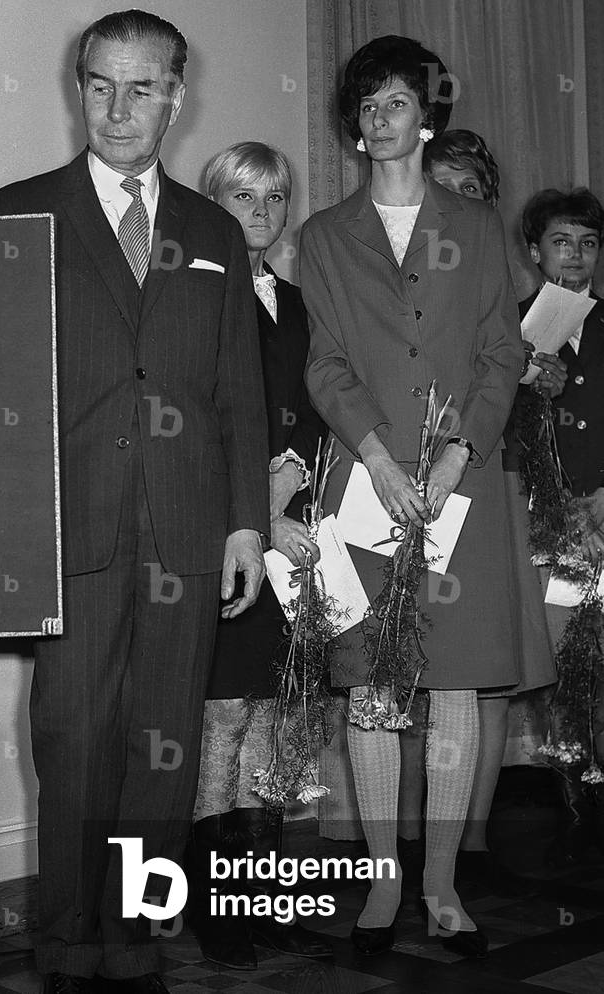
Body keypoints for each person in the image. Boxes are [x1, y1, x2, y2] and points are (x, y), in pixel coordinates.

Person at [0, 12, 271, 993]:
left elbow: (238, 390)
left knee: (164, 751)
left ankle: (136, 942)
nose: (118, 107)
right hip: (70, 530)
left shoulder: (216, 232)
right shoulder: (17, 215)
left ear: (176, 99)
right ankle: (67, 948)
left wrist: (243, 522)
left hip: (188, 530)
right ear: (79, 88)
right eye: (100, 84)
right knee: (73, 746)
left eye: (142, 88)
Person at [300, 36, 524, 958]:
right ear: (353, 128)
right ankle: (383, 892)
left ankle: (440, 889)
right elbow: (326, 362)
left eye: (396, 101)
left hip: (459, 486)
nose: (380, 118)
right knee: (376, 690)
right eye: (366, 106)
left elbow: (500, 352)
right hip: (366, 483)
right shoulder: (322, 235)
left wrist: (454, 451)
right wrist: (384, 461)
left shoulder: (473, 229)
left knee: (456, 687)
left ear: (423, 117)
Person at [403, 131, 562, 897]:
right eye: (440, 187)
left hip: (489, 477)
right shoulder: (396, 264)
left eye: (468, 191)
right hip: (407, 479)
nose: (453, 204)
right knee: (405, 673)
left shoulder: (499, 266)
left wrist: (535, 375)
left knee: (486, 679)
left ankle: (468, 844)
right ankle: (402, 846)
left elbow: (506, 366)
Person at [185, 142, 331, 969]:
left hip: (300, 541)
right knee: (222, 722)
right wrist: (257, 513)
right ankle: (213, 908)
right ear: (212, 204)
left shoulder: (303, 303)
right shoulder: (190, 298)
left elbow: (321, 407)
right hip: (230, 542)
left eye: (276, 196)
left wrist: (302, 492)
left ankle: (268, 900)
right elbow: (194, 427)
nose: (262, 211)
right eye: (242, 196)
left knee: (279, 723)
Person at [518, 187, 604, 864]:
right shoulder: (508, 332)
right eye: (559, 242)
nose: (573, 257)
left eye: (586, 243)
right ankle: (577, 806)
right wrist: (528, 396)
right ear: (532, 251)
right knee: (563, 669)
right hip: (543, 532)